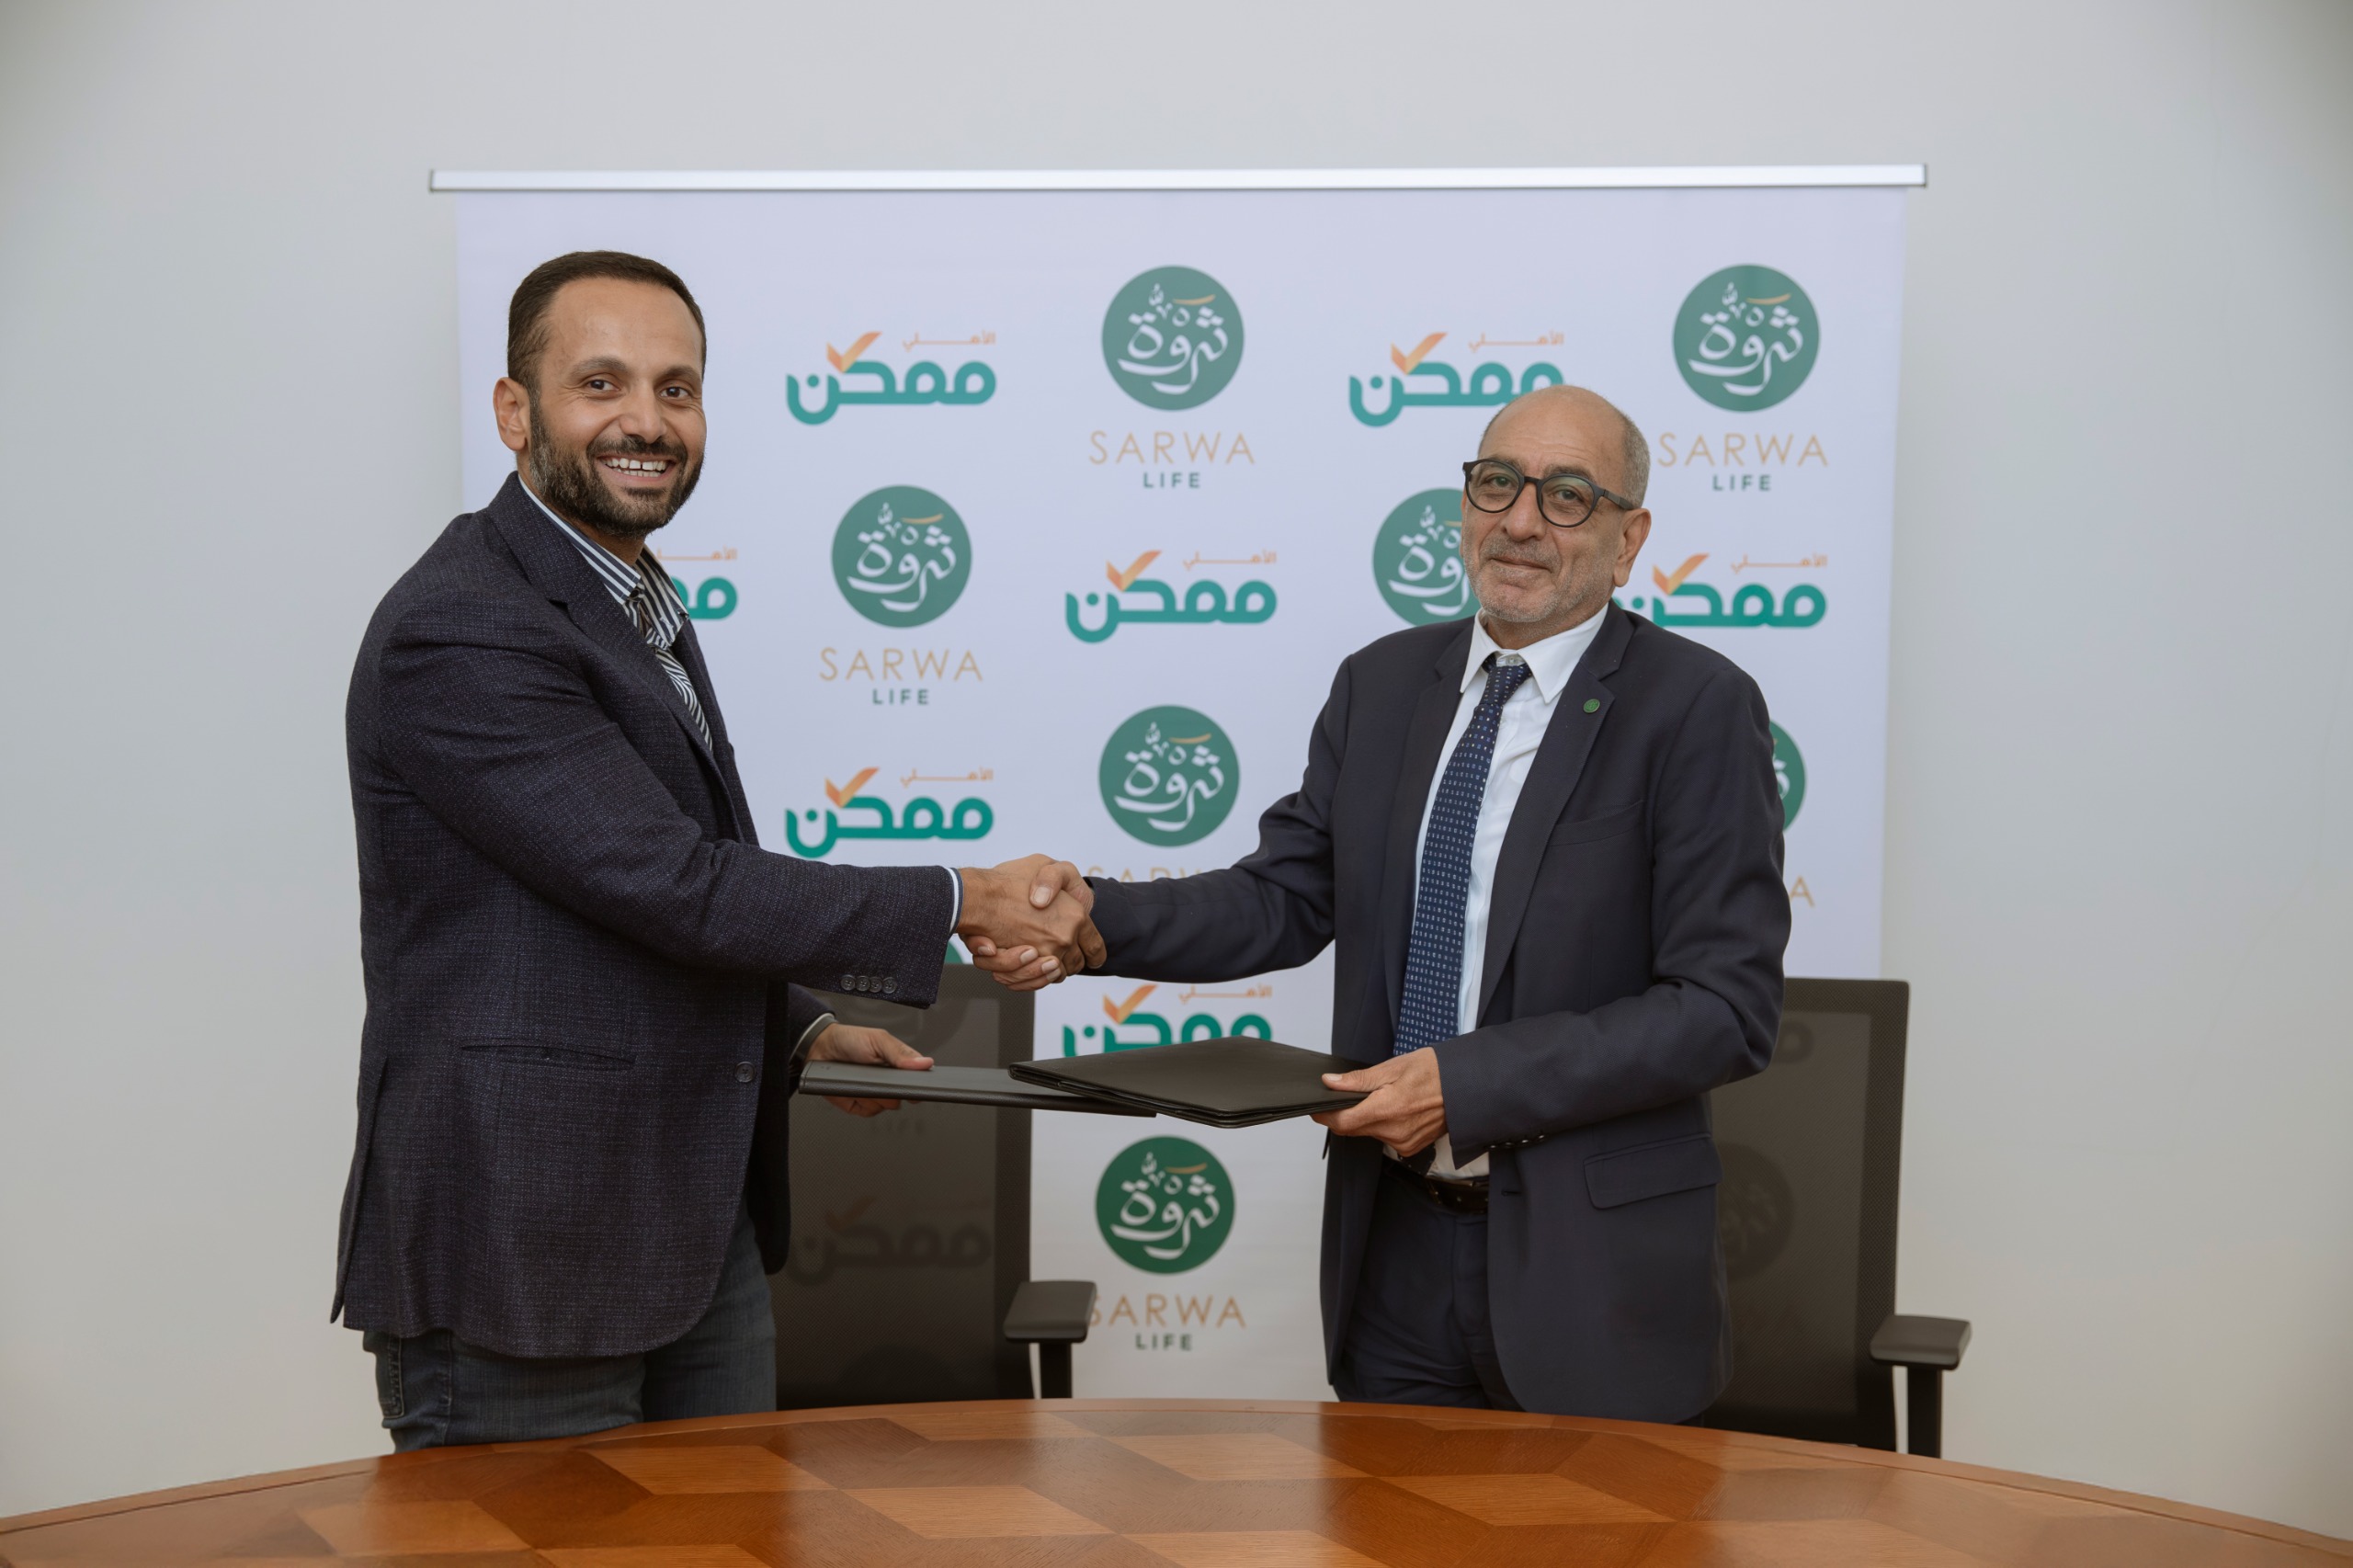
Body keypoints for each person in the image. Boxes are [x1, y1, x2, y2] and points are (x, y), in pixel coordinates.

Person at [337, 250, 1101, 1449]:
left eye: (677, 388)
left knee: (734, 1533)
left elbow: (606, 907)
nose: (647, 421)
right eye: (600, 383)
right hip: (524, 1248)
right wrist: (963, 894)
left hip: (690, 1234)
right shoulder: (465, 622)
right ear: (514, 410)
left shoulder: (631, 598)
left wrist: (798, 1026)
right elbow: (669, 881)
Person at [981, 385, 1788, 1419]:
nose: (1521, 520)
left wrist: (1466, 1083)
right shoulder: (1383, 684)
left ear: (1628, 540)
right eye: (1497, 483)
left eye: (1567, 496)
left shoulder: (1697, 706)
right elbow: (1281, 897)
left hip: (1593, 1273)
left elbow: (1723, 1007)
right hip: (1392, 1253)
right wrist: (1092, 919)